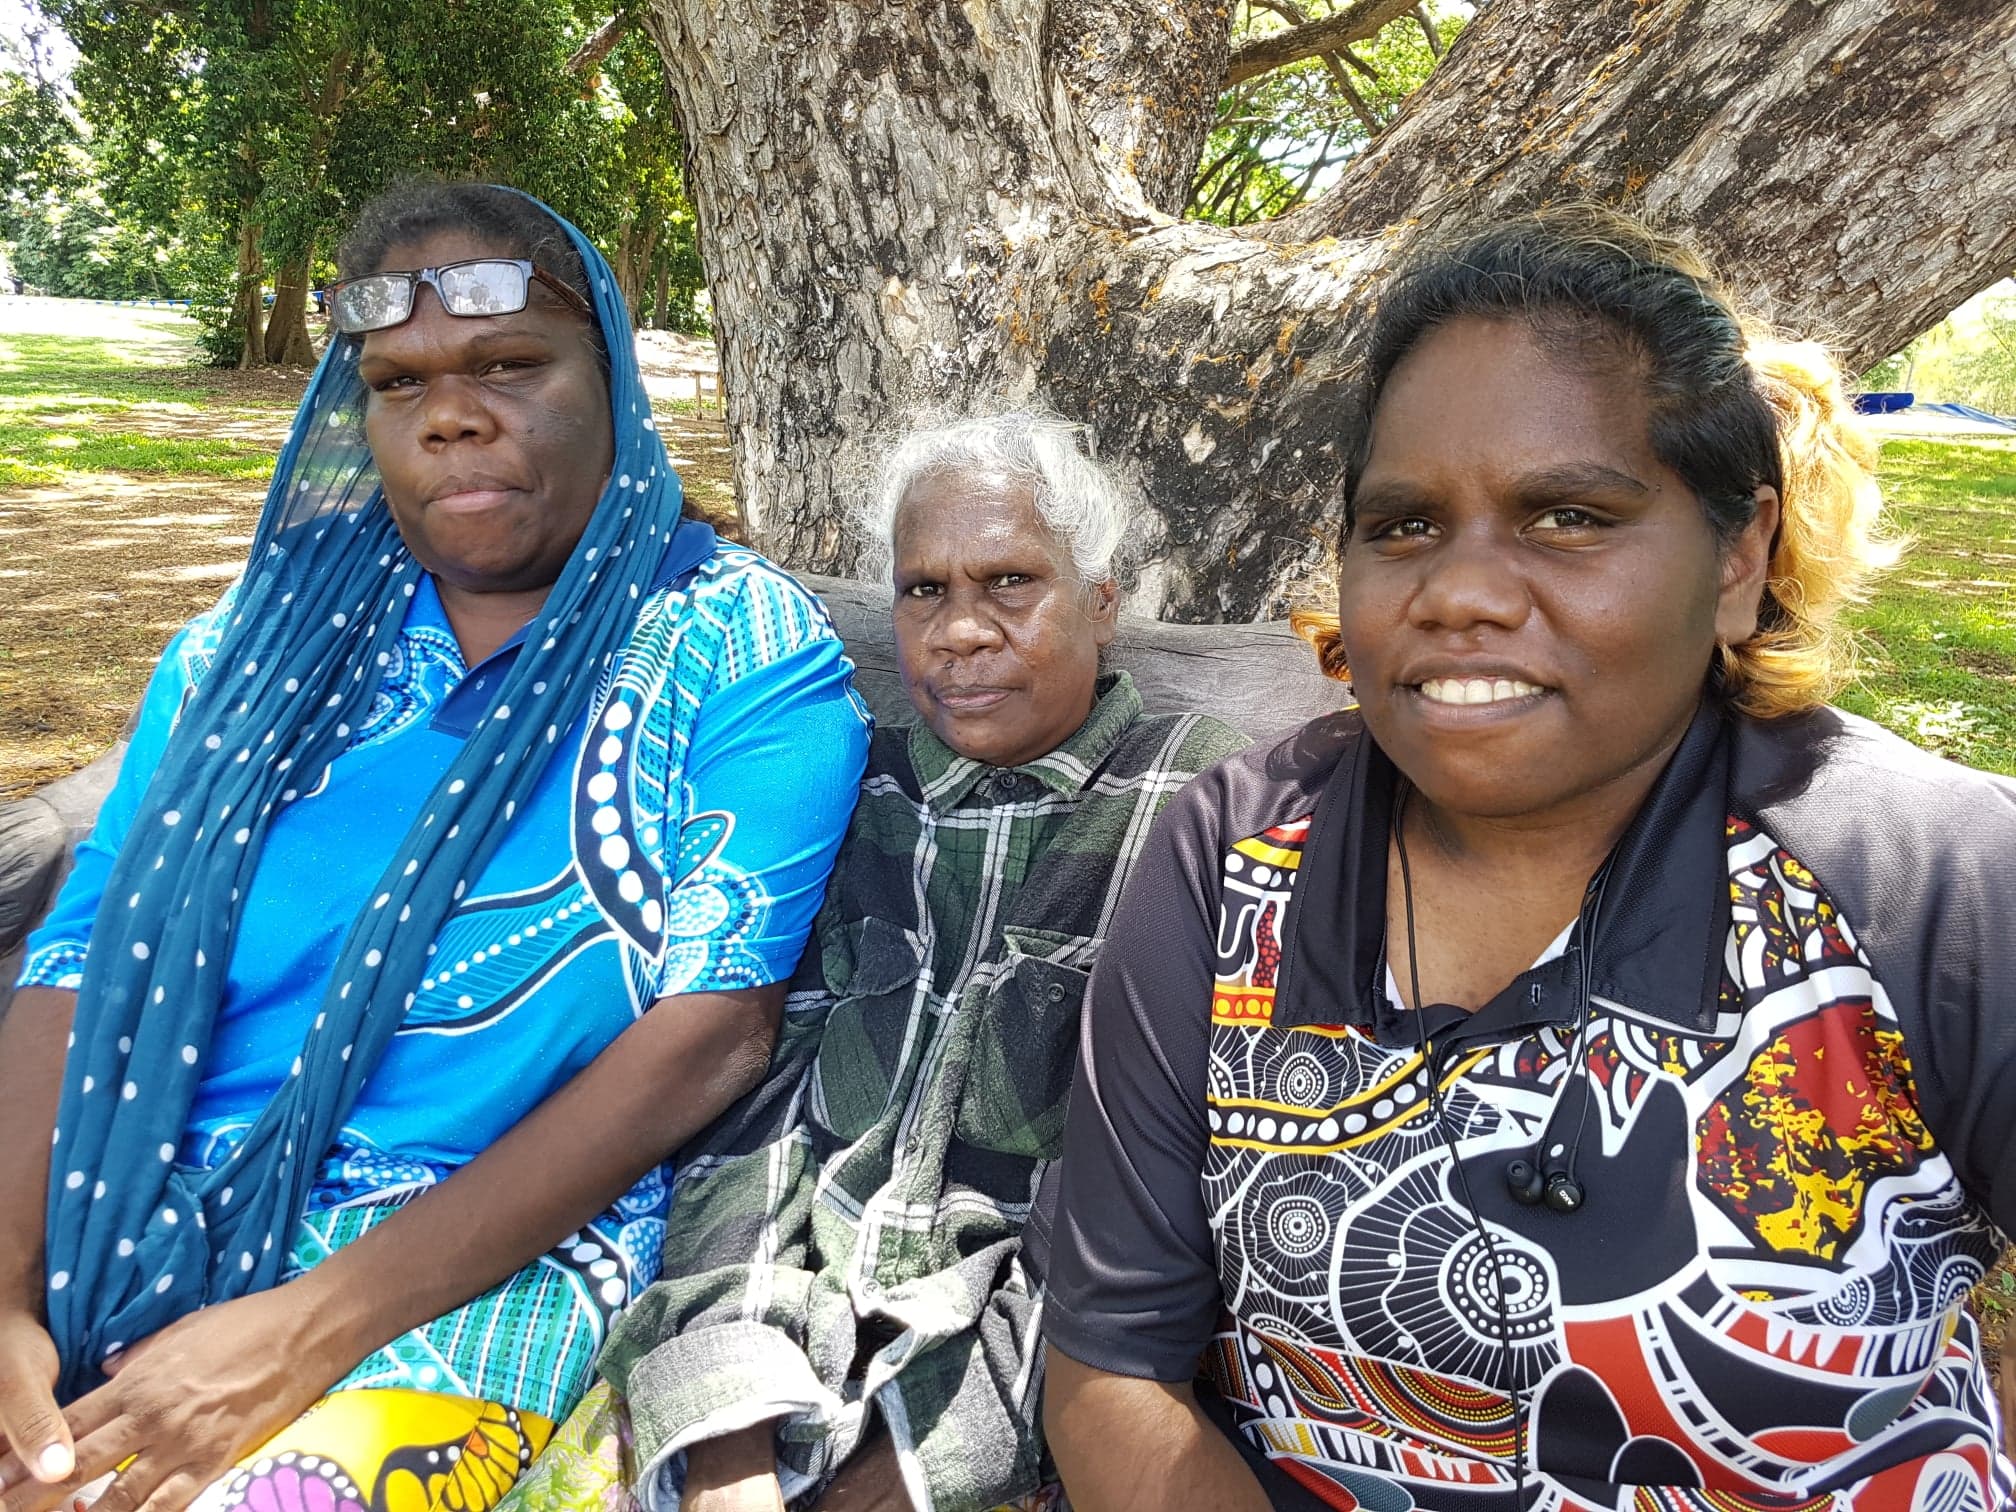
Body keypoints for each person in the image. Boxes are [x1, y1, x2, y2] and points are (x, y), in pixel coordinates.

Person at [1039, 208, 2016, 1512]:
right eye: (1402, 525)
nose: (1461, 592)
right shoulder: (1232, 863)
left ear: (1738, 560)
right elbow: (1113, 1369)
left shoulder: (1927, 879)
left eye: (1565, 515)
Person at [0, 182, 869, 1512]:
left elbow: (711, 1033)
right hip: (116, 1195)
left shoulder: (737, 650)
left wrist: (304, 1328)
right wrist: (5, 1297)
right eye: (398, 383)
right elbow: (80, 951)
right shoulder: (252, 645)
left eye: (511, 365)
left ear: (614, 382)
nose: (453, 413)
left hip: (459, 1278)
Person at [500, 412, 1249, 1512]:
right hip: (769, 1353)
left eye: (1009, 583)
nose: (960, 632)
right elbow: (751, 1134)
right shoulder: (862, 796)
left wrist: (900, 1473)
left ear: (1102, 597)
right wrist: (727, 1448)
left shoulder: (1197, 806)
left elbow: (1145, 1213)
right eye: (924, 592)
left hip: (1016, 1402)